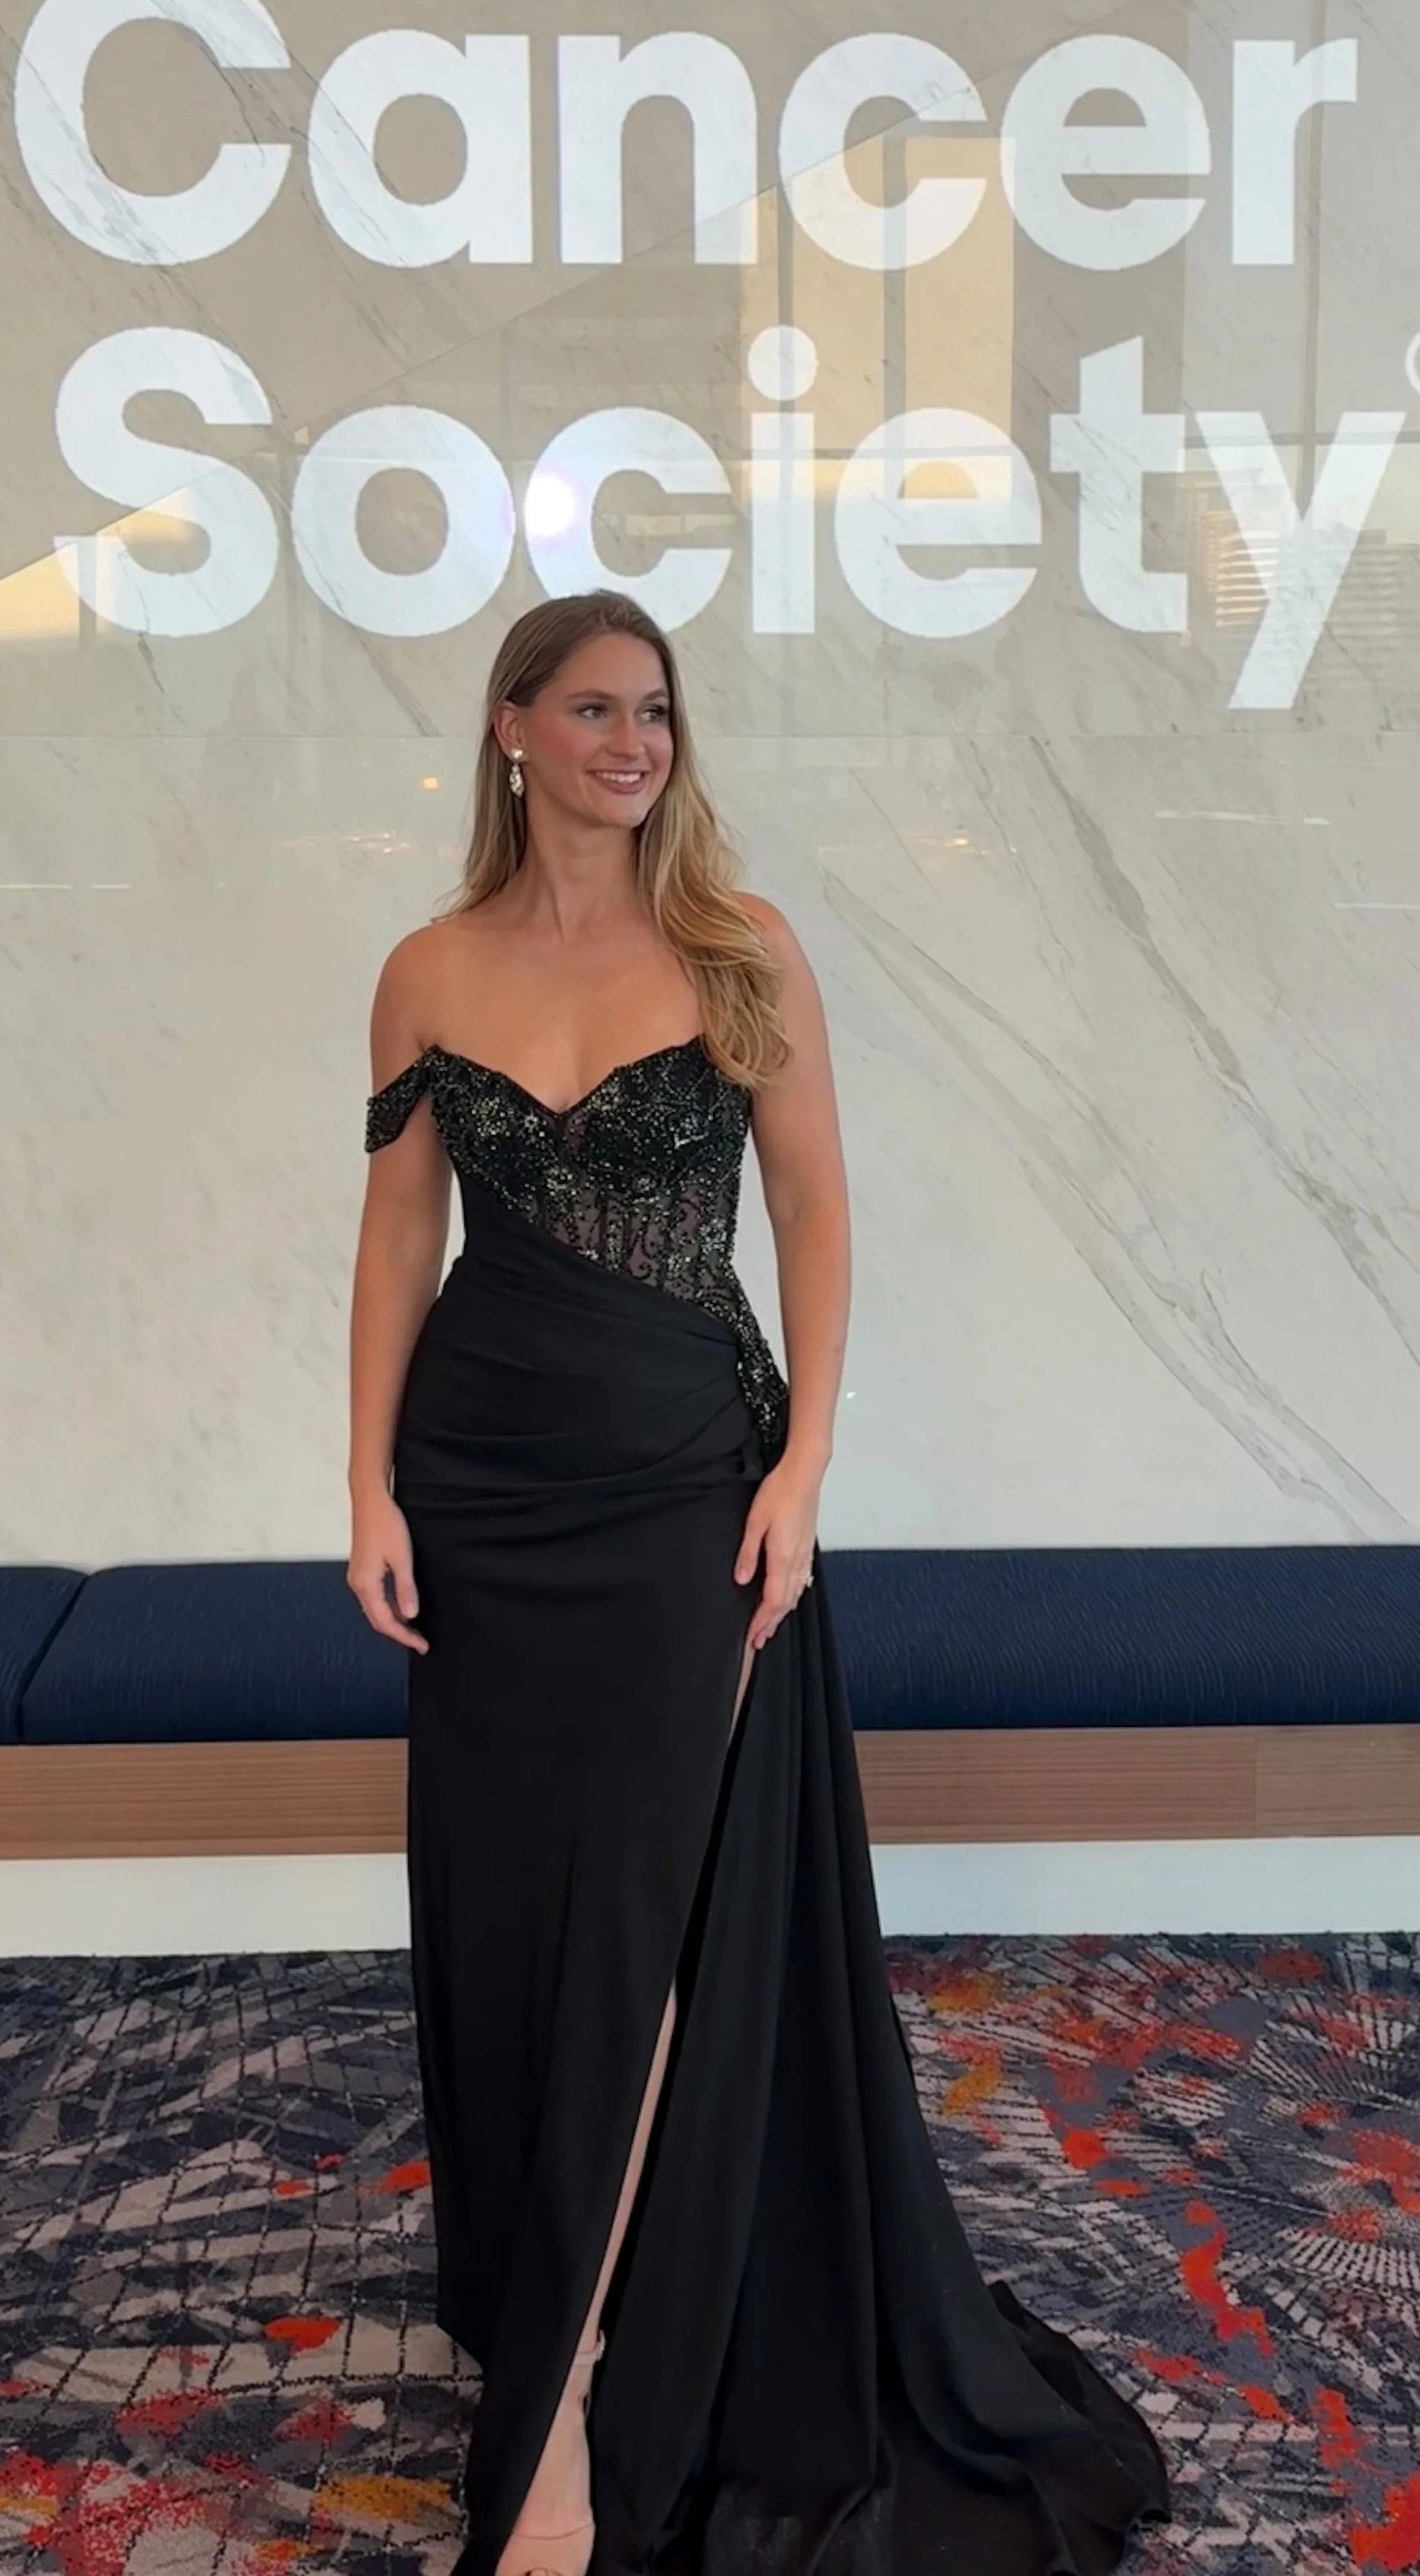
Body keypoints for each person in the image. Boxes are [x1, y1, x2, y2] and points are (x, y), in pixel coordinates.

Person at [345, 586, 1169, 2576]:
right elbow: (394, 1236)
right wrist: (363, 1481)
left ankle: (568, 2424)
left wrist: (805, 1465)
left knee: (646, 1916)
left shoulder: (739, 945)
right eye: (593, 709)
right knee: (519, 1905)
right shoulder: (424, 969)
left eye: (654, 711)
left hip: (682, 1483)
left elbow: (810, 1202)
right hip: (483, 1487)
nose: (633, 743)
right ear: (512, 727)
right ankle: (551, 2291)